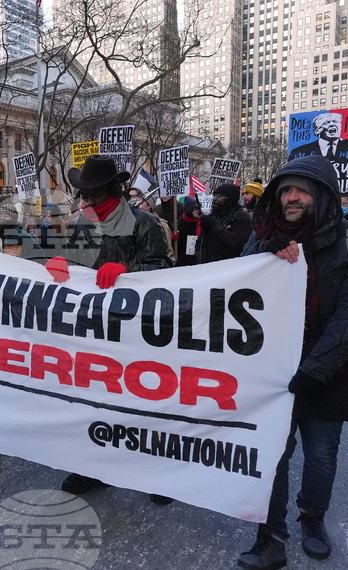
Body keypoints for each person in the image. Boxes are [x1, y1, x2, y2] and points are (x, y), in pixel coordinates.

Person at [235, 156, 348, 570]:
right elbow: (235, 280)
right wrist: (264, 253)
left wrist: (315, 369)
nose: (291, 198)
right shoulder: (262, 235)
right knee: (274, 454)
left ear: (322, 196)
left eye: (300, 190)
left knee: (321, 455)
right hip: (273, 371)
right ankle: (271, 536)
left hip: (325, 373)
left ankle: (312, 517)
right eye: (284, 191)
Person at [45, 155, 171, 498]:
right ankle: (94, 467)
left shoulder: (146, 223)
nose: (86, 202)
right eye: (83, 195)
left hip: (137, 334)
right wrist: (58, 264)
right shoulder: (80, 225)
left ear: (112, 191)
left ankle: (155, 473)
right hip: (93, 332)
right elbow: (70, 265)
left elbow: (164, 274)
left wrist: (127, 275)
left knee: (144, 406)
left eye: (94, 195)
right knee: (93, 404)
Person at [198, 183, 253, 264]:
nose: (214, 199)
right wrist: (200, 255)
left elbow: (238, 243)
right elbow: (201, 241)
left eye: (219, 196)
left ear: (230, 199)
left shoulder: (242, 217)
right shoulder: (213, 216)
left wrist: (212, 225)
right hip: (208, 266)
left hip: (229, 267)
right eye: (214, 195)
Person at [174, 196, 203, 267]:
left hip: (199, 259)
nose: (200, 211)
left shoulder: (204, 222)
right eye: (196, 209)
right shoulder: (180, 223)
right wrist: (175, 240)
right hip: (184, 260)